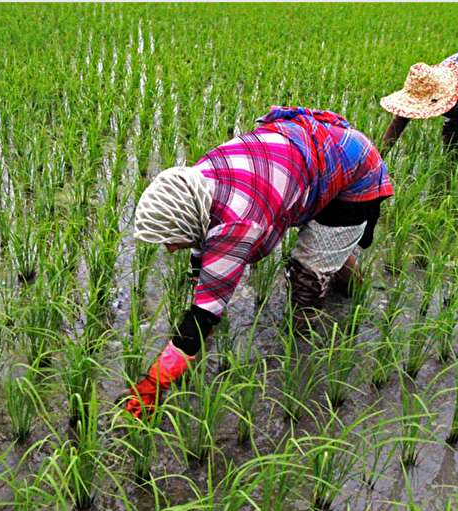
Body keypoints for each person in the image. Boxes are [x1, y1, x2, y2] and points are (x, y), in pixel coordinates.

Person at [124, 106, 394, 418]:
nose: (171, 249)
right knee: (326, 250)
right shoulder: (196, 183)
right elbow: (205, 257)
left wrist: (153, 385)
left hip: (353, 173)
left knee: (307, 280)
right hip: (314, 160)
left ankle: (304, 352)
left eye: (171, 239)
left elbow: (204, 313)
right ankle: (350, 281)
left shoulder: (238, 222)